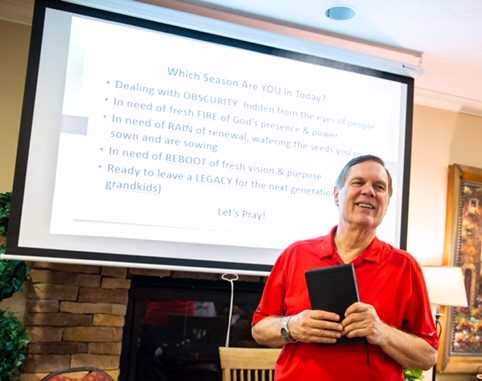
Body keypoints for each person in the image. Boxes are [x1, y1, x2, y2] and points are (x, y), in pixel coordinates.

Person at [251, 154, 438, 380]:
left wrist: (381, 331)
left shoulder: (405, 267)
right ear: (337, 195)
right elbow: (259, 329)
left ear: (386, 205)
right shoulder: (295, 254)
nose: (369, 191)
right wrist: (292, 326)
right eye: (358, 182)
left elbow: (428, 356)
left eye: (379, 186)